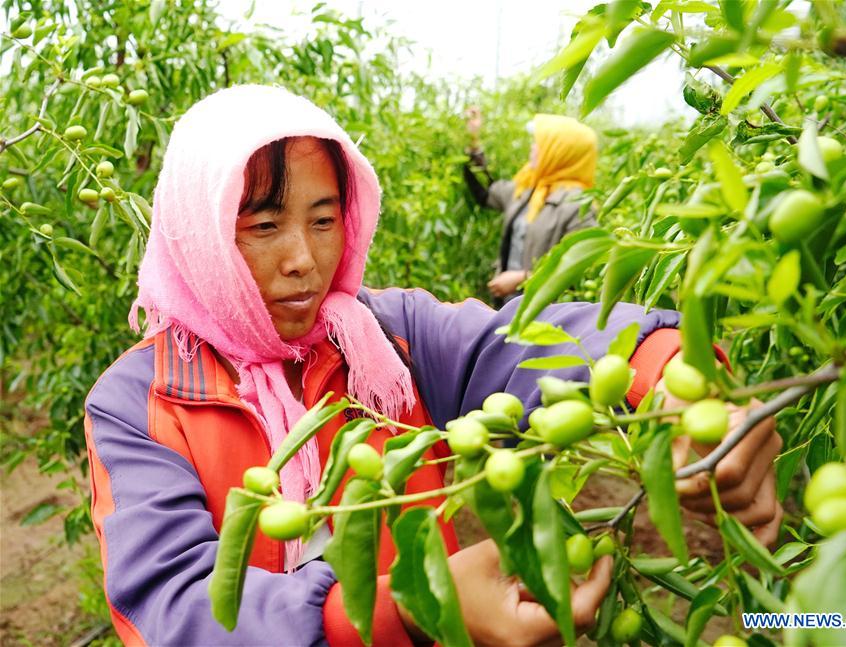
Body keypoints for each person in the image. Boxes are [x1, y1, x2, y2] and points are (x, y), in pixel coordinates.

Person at [83, 85, 782, 646]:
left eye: (325, 220)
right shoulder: (139, 401)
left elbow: (517, 342)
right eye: (263, 226)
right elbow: (175, 610)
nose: (303, 258)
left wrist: (666, 373)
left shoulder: (384, 336)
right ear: (197, 235)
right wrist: (411, 607)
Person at [463, 108, 598, 304]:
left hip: (543, 319)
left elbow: (580, 270)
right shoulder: (528, 190)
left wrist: (523, 278)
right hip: (508, 307)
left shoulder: (578, 205)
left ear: (559, 152)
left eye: (539, 144)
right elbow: (486, 190)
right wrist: (472, 140)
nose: (532, 148)